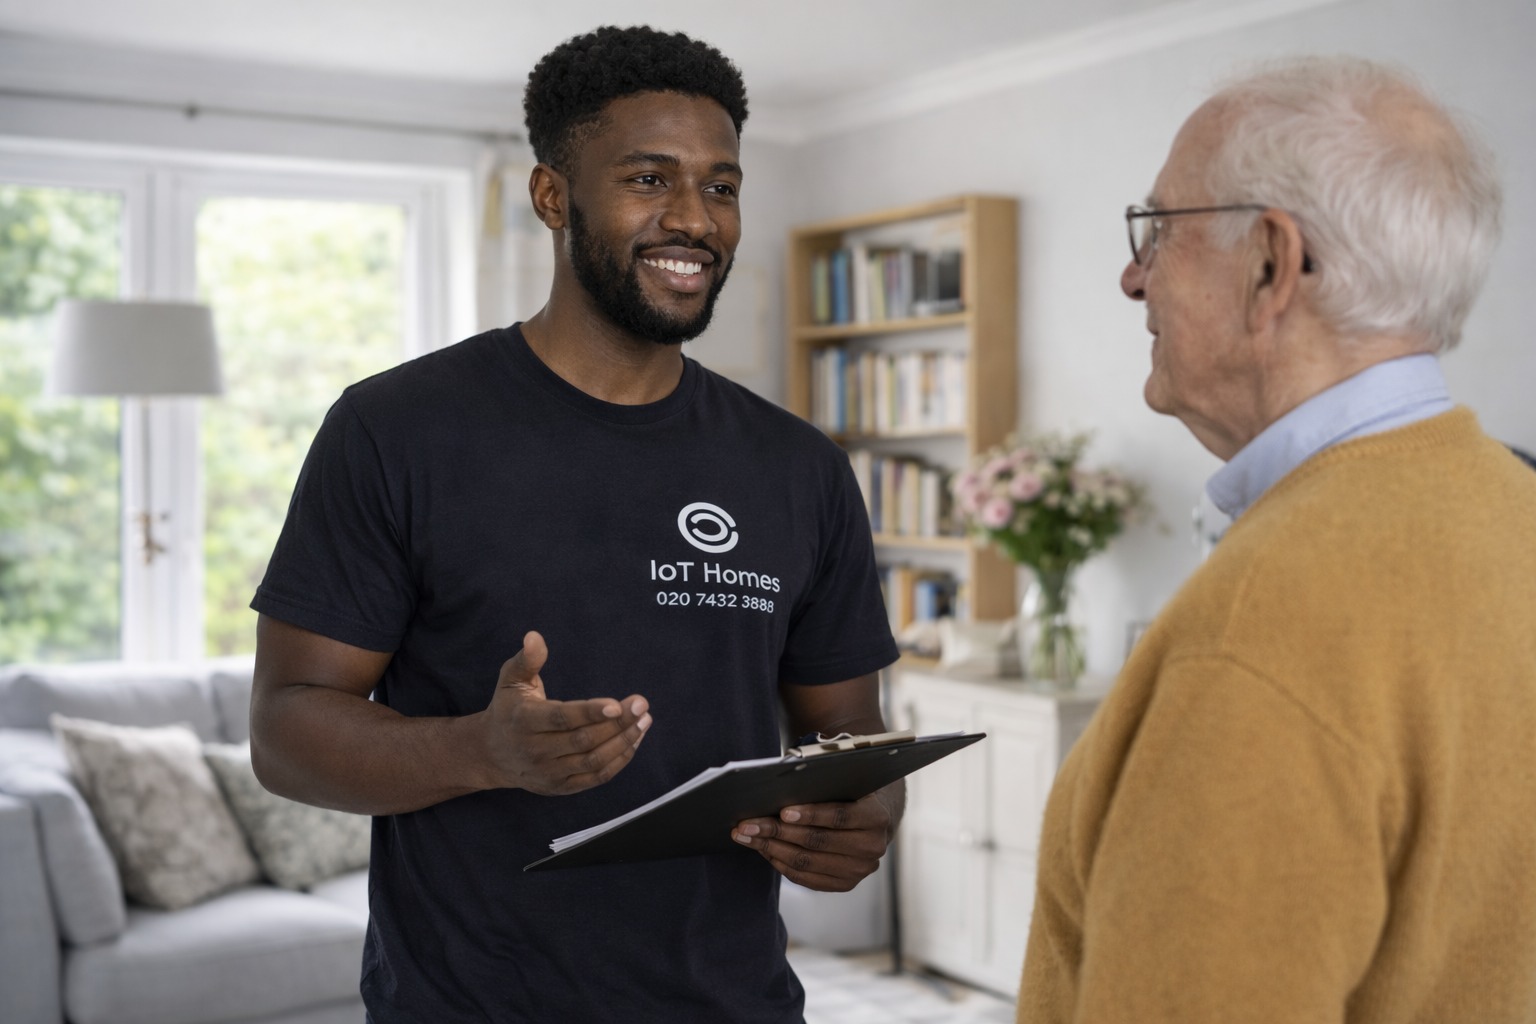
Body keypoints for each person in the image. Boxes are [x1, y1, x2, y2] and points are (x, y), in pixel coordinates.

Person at [248, 25, 902, 1024]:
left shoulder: (798, 467)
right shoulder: (394, 431)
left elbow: (848, 730)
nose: (695, 218)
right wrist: (481, 750)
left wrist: (865, 813)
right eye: (650, 178)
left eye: (721, 186)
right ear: (553, 196)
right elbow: (287, 728)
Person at [1018, 56, 1536, 1022]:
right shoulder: (1514, 506)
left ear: (1270, 263)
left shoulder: (1263, 628)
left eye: (1158, 233)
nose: (1133, 279)